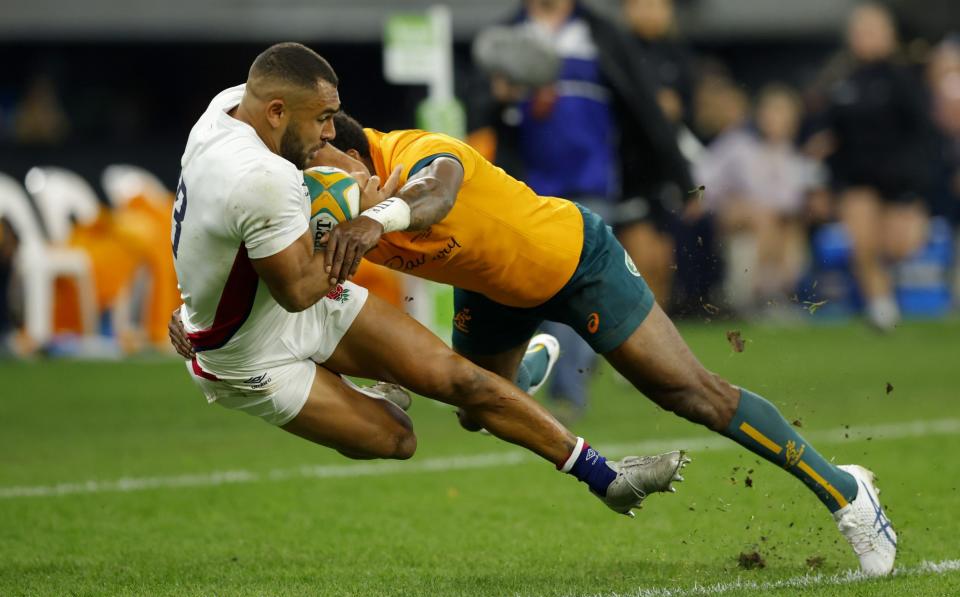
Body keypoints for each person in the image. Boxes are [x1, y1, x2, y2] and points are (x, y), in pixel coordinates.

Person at [286, 113, 897, 575]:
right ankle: (521, 371)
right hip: (492, 291)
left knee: (689, 393)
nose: (314, 175)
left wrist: (376, 219)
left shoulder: (419, 152)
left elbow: (438, 193)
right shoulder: (329, 204)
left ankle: (847, 492)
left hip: (576, 260)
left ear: (354, 148)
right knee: (478, 412)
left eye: (319, 158)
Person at [171, 42, 686, 519]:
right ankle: (369, 390)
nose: (331, 133)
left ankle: (607, 478)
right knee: (397, 438)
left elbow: (208, 227)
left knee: (461, 380)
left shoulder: (228, 109)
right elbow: (298, 288)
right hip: (246, 352)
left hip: (291, 294)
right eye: (323, 119)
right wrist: (358, 219)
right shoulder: (264, 178)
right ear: (277, 112)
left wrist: (356, 197)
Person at [468, 0, 698, 417]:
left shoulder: (602, 33)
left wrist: (681, 177)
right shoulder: (507, 35)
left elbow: (643, 104)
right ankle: (546, 378)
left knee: (567, 284)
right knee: (536, 289)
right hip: (525, 189)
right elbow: (479, 111)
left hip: (593, 184)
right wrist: (502, 99)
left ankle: (565, 392)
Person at [807, 3, 937, 331]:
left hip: (899, 180)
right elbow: (824, 131)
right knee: (862, 244)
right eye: (860, 31)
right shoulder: (839, 80)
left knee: (896, 247)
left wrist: (918, 186)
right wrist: (821, 171)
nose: (865, 38)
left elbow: (923, 133)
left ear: (889, 35)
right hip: (856, 178)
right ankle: (881, 309)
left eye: (872, 31)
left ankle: (888, 291)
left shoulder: (905, 78)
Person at [696, 84, 822, 315]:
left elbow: (796, 202)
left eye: (783, 113)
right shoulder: (737, 146)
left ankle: (776, 295)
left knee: (786, 224)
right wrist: (729, 204)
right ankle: (758, 296)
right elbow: (702, 183)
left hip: (779, 229)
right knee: (763, 217)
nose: (776, 119)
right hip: (736, 226)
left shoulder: (794, 158)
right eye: (771, 111)